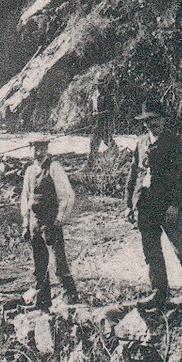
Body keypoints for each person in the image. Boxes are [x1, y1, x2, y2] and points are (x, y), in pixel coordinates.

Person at [124, 104, 182, 307]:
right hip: (145, 205)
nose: (154, 124)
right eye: (149, 120)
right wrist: (129, 204)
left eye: (158, 119)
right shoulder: (141, 143)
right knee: (151, 251)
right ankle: (159, 293)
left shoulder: (174, 142)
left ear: (164, 120)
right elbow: (134, 174)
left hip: (167, 206)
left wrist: (175, 205)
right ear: (144, 124)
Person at [20, 138, 78, 309]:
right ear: (31, 150)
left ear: (47, 149)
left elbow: (67, 195)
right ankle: (42, 299)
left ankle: (70, 297)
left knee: (58, 261)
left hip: (50, 221)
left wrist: (60, 218)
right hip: (34, 223)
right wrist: (25, 223)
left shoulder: (54, 168)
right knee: (39, 262)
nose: (38, 153)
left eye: (42, 149)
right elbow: (25, 198)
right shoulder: (30, 171)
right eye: (35, 149)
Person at [88, 83, 115, 164]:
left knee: (107, 140)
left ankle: (117, 155)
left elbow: (111, 111)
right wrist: (92, 116)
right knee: (93, 142)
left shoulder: (108, 97)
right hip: (96, 124)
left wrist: (99, 114)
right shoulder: (94, 96)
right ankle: (91, 162)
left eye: (101, 85)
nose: (99, 87)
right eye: (98, 85)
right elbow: (91, 110)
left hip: (104, 123)